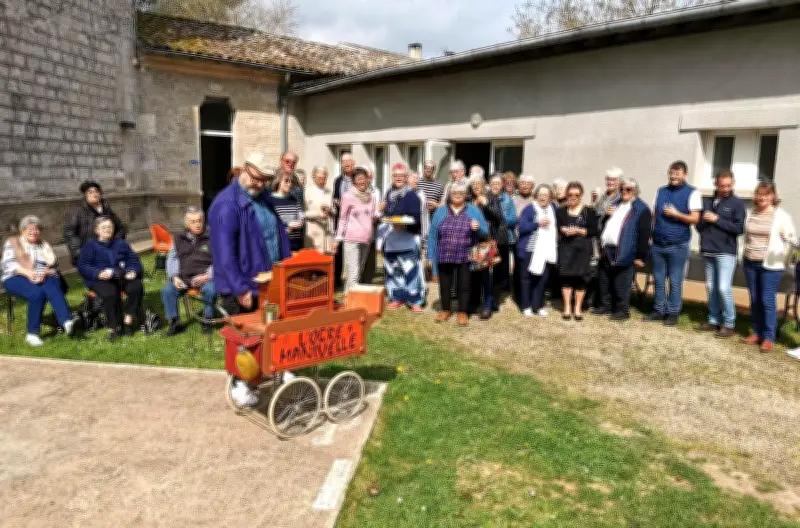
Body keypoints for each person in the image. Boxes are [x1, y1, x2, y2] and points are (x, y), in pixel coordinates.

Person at [208, 152, 291, 317]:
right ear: (244, 170)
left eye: (264, 181)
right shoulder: (226, 205)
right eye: (256, 179)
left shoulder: (264, 196)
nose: (260, 185)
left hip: (267, 282)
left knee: (269, 337)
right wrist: (240, 289)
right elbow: (224, 254)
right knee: (245, 340)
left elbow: (277, 232)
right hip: (243, 289)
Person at [2, 216, 76, 347]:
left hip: (42, 276)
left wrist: (45, 272)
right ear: (22, 231)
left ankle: (66, 321)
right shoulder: (14, 242)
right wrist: (29, 273)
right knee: (37, 294)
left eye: (36, 229)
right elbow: (8, 265)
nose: (34, 231)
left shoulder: (43, 245)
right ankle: (32, 334)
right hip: (15, 276)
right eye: (30, 229)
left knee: (52, 283)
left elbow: (54, 267)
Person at [741, 182, 796, 352]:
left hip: (771, 265)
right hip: (750, 261)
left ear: (773, 196)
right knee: (755, 298)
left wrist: (786, 238)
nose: (762, 198)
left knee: (766, 299)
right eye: (759, 194)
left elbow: (792, 239)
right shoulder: (751, 213)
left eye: (766, 194)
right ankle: (757, 332)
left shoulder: (781, 216)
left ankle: (769, 336)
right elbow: (746, 236)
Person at [644, 160, 701, 326]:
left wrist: (677, 214)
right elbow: (654, 215)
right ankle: (658, 310)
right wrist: (650, 234)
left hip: (678, 244)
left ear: (685, 175)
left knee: (675, 280)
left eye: (677, 173)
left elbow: (695, 218)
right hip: (658, 243)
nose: (674, 176)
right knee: (659, 278)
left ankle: (673, 312)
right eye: (671, 173)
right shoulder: (661, 191)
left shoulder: (692, 192)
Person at [428, 181, 488, 326]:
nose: (458, 195)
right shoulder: (440, 211)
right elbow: (433, 236)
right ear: (449, 195)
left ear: (465, 195)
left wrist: (478, 228)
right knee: (445, 284)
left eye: (461, 193)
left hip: (466, 255)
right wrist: (431, 255)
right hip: (444, 254)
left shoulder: (474, 210)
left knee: (464, 285)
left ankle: (462, 312)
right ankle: (446, 309)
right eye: (454, 193)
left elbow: (485, 231)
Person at [695, 170, 745, 338]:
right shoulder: (706, 201)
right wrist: (702, 222)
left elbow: (739, 228)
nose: (725, 189)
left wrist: (717, 220)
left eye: (729, 186)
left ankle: (729, 323)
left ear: (733, 184)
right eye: (722, 185)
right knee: (711, 287)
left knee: (723, 288)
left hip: (726, 252)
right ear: (715, 184)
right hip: (708, 250)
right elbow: (699, 225)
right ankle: (713, 319)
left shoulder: (737, 203)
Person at [78, 217, 143, 341]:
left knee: (136, 287)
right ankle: (113, 327)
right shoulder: (90, 246)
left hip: (121, 275)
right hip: (101, 279)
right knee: (110, 293)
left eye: (110, 227)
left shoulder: (121, 243)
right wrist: (98, 273)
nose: (108, 230)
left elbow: (134, 261)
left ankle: (128, 320)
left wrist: (133, 271)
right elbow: (83, 266)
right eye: (104, 227)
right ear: (97, 230)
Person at [595, 177, 651, 320]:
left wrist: (640, 255)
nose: (624, 192)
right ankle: (605, 306)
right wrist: (606, 216)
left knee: (622, 281)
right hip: (607, 247)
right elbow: (605, 224)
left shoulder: (641, 209)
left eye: (628, 189)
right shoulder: (616, 203)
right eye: (622, 189)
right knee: (605, 279)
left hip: (625, 249)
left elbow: (644, 234)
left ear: (635, 191)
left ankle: (622, 310)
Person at [161, 207, 216, 337]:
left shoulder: (214, 236)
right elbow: (172, 258)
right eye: (193, 221)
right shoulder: (178, 238)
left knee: (211, 290)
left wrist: (208, 275)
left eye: (199, 221)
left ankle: (207, 320)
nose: (197, 224)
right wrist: (174, 276)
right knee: (168, 291)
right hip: (184, 277)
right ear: (186, 223)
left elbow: (220, 260)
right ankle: (175, 323)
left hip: (206, 276)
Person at [380, 163, 425, 312]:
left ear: (406, 178)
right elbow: (387, 216)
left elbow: (417, 219)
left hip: (408, 240)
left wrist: (404, 225)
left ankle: (415, 300)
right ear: (392, 178)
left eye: (401, 176)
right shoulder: (389, 195)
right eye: (395, 176)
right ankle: (397, 297)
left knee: (411, 271)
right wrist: (383, 212)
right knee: (394, 271)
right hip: (392, 240)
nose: (398, 178)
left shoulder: (412, 195)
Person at [556, 182, 598, 321]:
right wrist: (562, 229)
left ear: (581, 196)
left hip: (583, 250)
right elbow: (557, 226)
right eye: (570, 194)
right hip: (566, 249)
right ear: (567, 195)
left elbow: (595, 231)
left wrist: (579, 231)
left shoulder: (589, 211)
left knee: (581, 279)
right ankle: (567, 307)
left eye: (576, 195)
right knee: (566, 278)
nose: (573, 197)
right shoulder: (561, 211)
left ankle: (578, 308)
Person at [466, 174, 506, 319]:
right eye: (474, 184)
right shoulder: (468, 200)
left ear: (484, 185)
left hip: (486, 241)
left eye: (479, 183)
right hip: (471, 241)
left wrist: (486, 205)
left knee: (486, 275)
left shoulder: (491, 197)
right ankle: (473, 302)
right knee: (473, 274)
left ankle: (488, 305)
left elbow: (499, 218)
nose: (476, 186)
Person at [334, 167, 379, 291]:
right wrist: (338, 237)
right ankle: (349, 299)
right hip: (351, 238)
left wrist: (378, 214)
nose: (361, 181)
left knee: (359, 270)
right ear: (354, 181)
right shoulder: (348, 196)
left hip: (366, 238)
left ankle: (352, 296)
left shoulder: (371, 197)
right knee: (353, 273)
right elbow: (342, 218)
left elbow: (373, 215)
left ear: (367, 180)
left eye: (363, 178)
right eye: (358, 179)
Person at [517, 184, 558, 317]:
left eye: (546, 195)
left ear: (550, 197)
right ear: (536, 195)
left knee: (542, 278)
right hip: (529, 249)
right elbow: (521, 227)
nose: (543, 197)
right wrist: (537, 224)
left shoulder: (554, 209)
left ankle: (537, 305)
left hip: (546, 250)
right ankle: (526, 305)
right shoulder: (530, 208)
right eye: (540, 194)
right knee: (526, 278)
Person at [64, 180, 126, 266]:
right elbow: (69, 233)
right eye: (90, 192)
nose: (94, 194)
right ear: (85, 195)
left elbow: (121, 228)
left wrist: (115, 243)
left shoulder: (106, 209)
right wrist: (80, 253)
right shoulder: (77, 210)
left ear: (100, 194)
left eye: (96, 191)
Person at [490, 173, 517, 298]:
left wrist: (498, 218)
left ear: (502, 185)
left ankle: (503, 288)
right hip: (489, 238)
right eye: (493, 183)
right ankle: (491, 289)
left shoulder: (508, 199)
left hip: (504, 237)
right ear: (489, 185)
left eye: (498, 183)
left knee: (503, 265)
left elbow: (513, 219)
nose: (495, 186)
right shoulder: (486, 199)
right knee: (489, 264)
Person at [332, 153, 356, 289]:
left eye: (349, 161)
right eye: (343, 161)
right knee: (338, 250)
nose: (346, 163)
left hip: (355, 220)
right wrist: (336, 201)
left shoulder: (358, 178)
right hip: (340, 218)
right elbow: (335, 197)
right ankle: (336, 281)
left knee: (352, 249)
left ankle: (354, 280)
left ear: (353, 163)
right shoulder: (338, 180)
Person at [512, 174, 536, 303]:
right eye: (522, 183)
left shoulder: (535, 200)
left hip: (532, 239)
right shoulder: (513, 199)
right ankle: (518, 295)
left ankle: (530, 293)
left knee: (530, 268)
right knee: (518, 268)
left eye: (528, 183)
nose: (525, 185)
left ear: (532, 186)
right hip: (517, 238)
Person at [304, 165, 335, 254]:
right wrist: (317, 214)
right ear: (313, 177)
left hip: (328, 235)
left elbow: (334, 212)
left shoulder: (329, 192)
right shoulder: (307, 192)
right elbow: (302, 213)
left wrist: (330, 210)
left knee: (327, 264)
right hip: (314, 234)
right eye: (319, 178)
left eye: (324, 178)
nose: (322, 181)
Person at [271, 172, 305, 252]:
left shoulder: (294, 199)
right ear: (278, 181)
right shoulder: (271, 200)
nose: (289, 184)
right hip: (279, 243)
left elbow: (301, 216)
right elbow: (270, 223)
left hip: (295, 243)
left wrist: (301, 222)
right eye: (286, 181)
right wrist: (286, 227)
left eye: (291, 181)